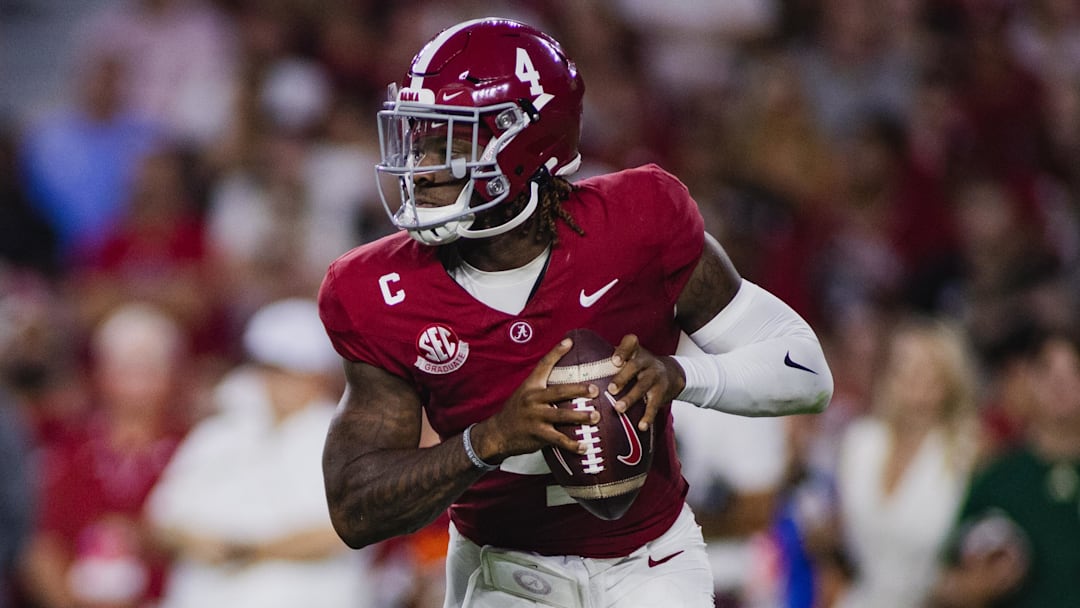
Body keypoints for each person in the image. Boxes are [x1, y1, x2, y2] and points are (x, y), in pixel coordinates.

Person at [318, 17, 834, 608]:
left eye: (450, 143)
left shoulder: (638, 223)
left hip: (651, 566)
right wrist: (487, 440)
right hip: (502, 572)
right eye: (418, 139)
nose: (423, 168)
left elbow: (805, 372)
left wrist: (680, 376)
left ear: (525, 144)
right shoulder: (379, 288)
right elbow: (355, 511)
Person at [145, 298, 373, 608]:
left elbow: (349, 530)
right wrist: (199, 542)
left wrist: (251, 551)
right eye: (270, 370)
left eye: (290, 372)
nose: (277, 383)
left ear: (320, 376)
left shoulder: (352, 440)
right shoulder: (218, 432)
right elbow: (161, 519)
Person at [930, 330, 1080, 608]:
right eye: (1047, 370)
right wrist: (977, 586)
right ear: (1027, 380)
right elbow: (944, 584)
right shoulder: (999, 479)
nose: (1061, 384)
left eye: (1075, 370)